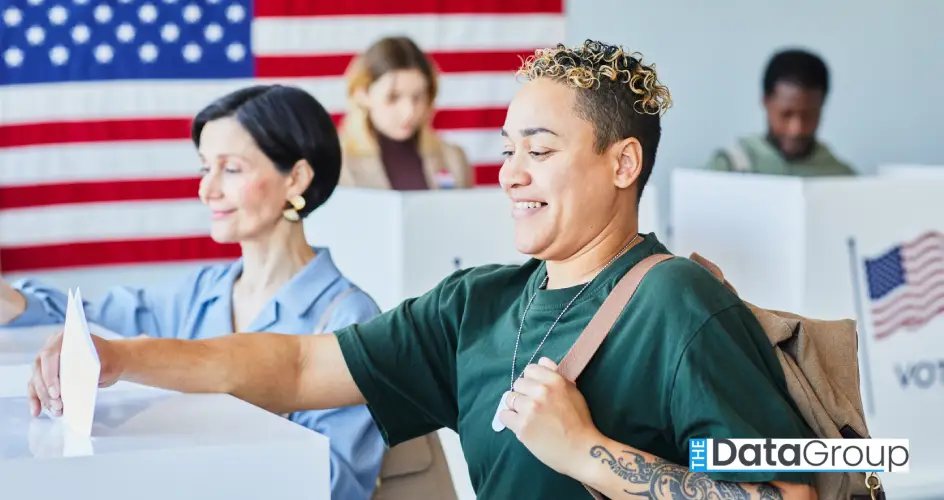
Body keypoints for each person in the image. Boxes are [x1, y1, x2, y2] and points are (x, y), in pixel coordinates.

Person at [28, 41, 817, 499]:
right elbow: (298, 363)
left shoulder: (680, 301)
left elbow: (791, 494)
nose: (510, 173)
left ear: (623, 163)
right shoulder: (475, 303)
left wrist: (585, 450)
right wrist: (121, 358)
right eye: (507, 150)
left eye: (539, 152)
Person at [4, 85, 385, 499]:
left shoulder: (351, 318)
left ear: (295, 177)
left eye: (231, 169)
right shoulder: (203, 291)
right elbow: (90, 319)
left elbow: (338, 487)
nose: (207, 190)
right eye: (206, 168)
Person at [337, 36, 473, 190]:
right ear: (362, 93)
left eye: (417, 97)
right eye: (393, 97)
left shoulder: (453, 158)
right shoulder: (337, 165)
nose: (409, 112)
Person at [707, 48, 855, 176]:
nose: (796, 129)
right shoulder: (729, 167)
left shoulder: (842, 177)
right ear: (766, 102)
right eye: (786, 114)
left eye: (808, 115)